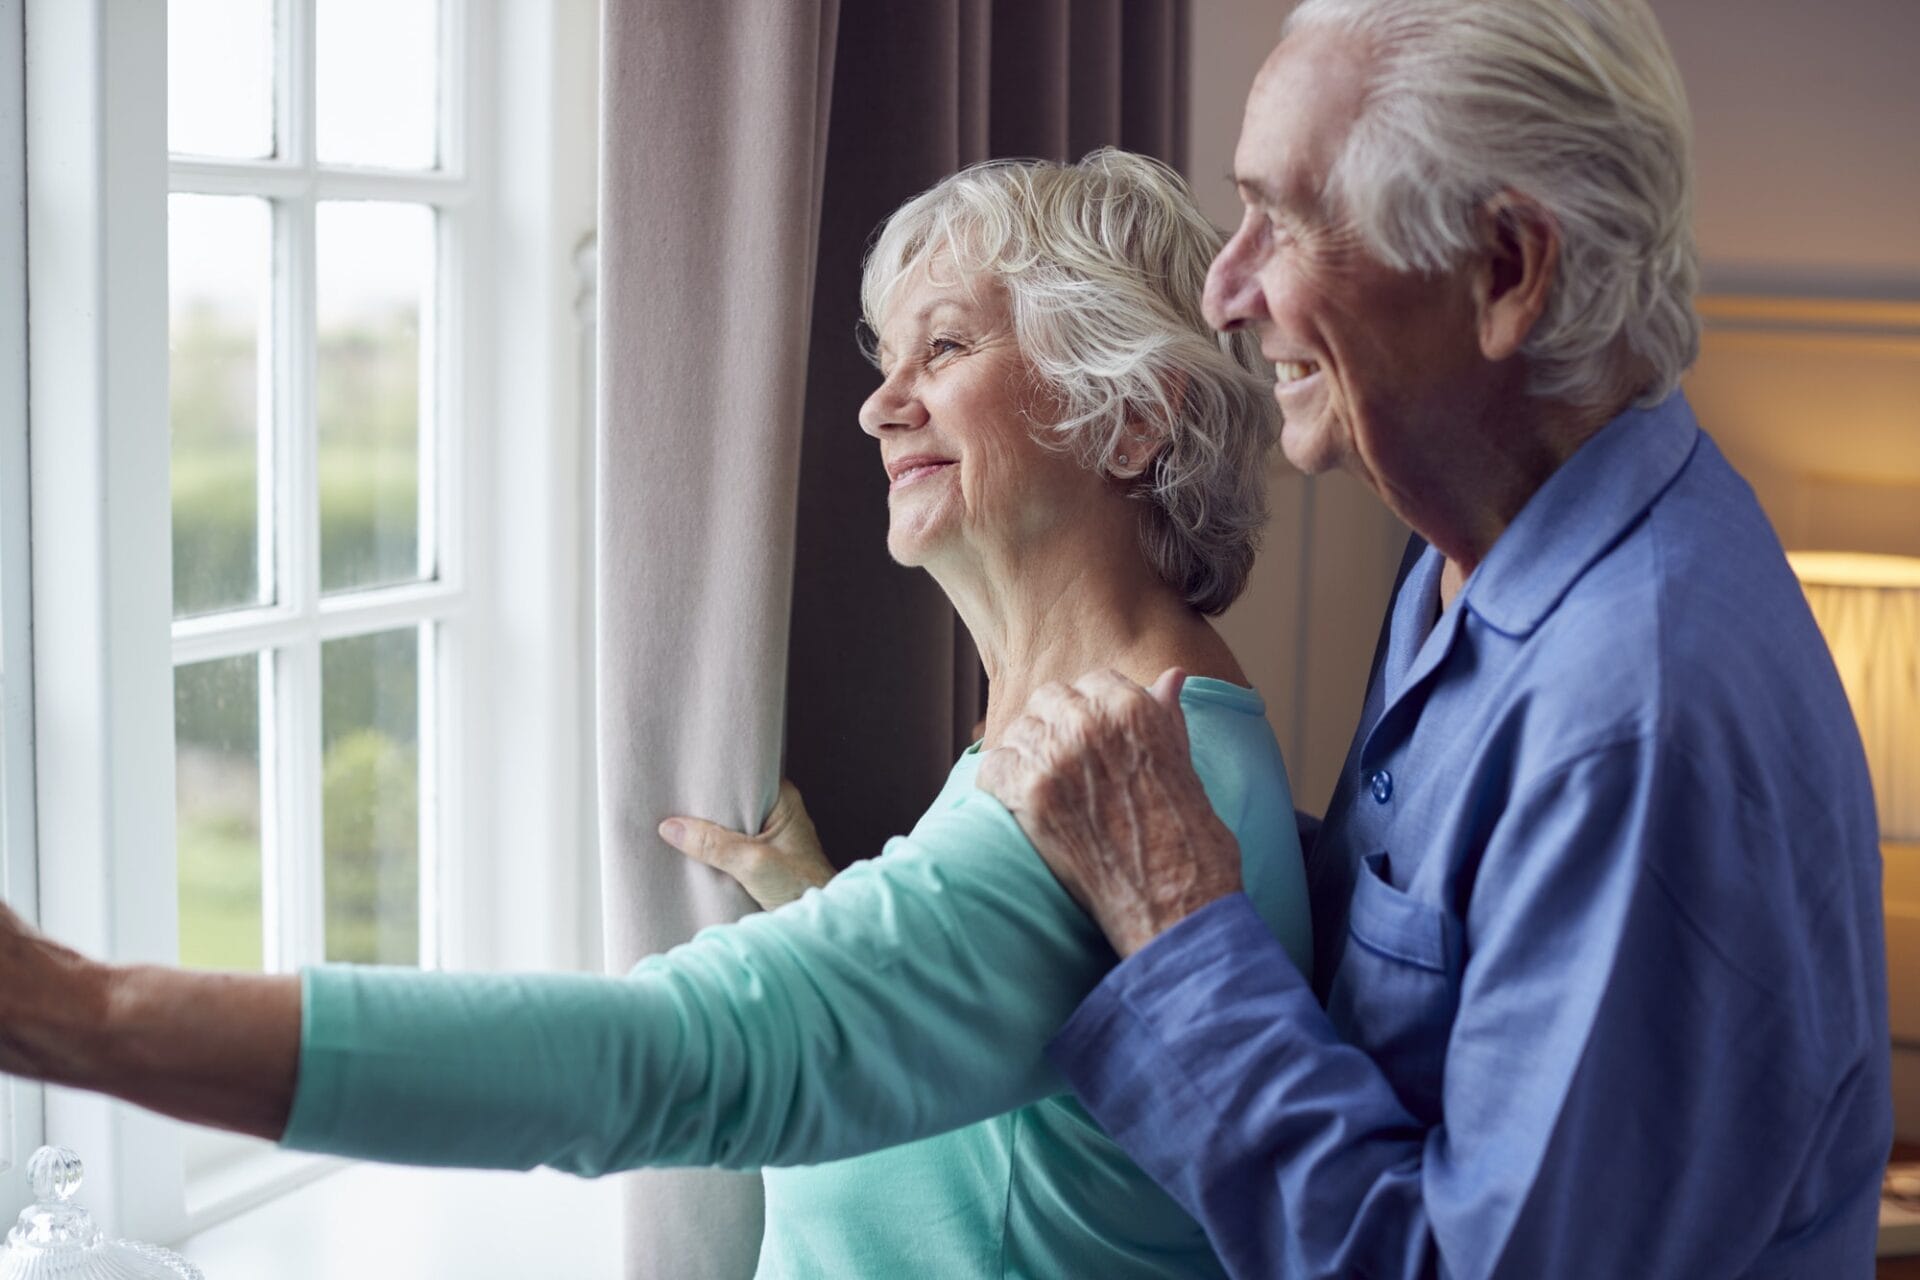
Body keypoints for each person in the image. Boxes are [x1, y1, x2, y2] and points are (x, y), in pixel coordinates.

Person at [0, 150, 1311, 1278]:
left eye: (949, 345)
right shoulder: (1142, 729)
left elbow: (666, 1061)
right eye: (886, 355)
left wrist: (83, 1014)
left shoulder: (1124, 791)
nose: (878, 403)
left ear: (1134, 421)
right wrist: (834, 910)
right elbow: (1028, 1112)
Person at [977, 2, 1892, 1277]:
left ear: (1507, 270)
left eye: (1285, 219)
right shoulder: (1466, 550)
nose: (1223, 288)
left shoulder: (1639, 721)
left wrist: (1176, 919)